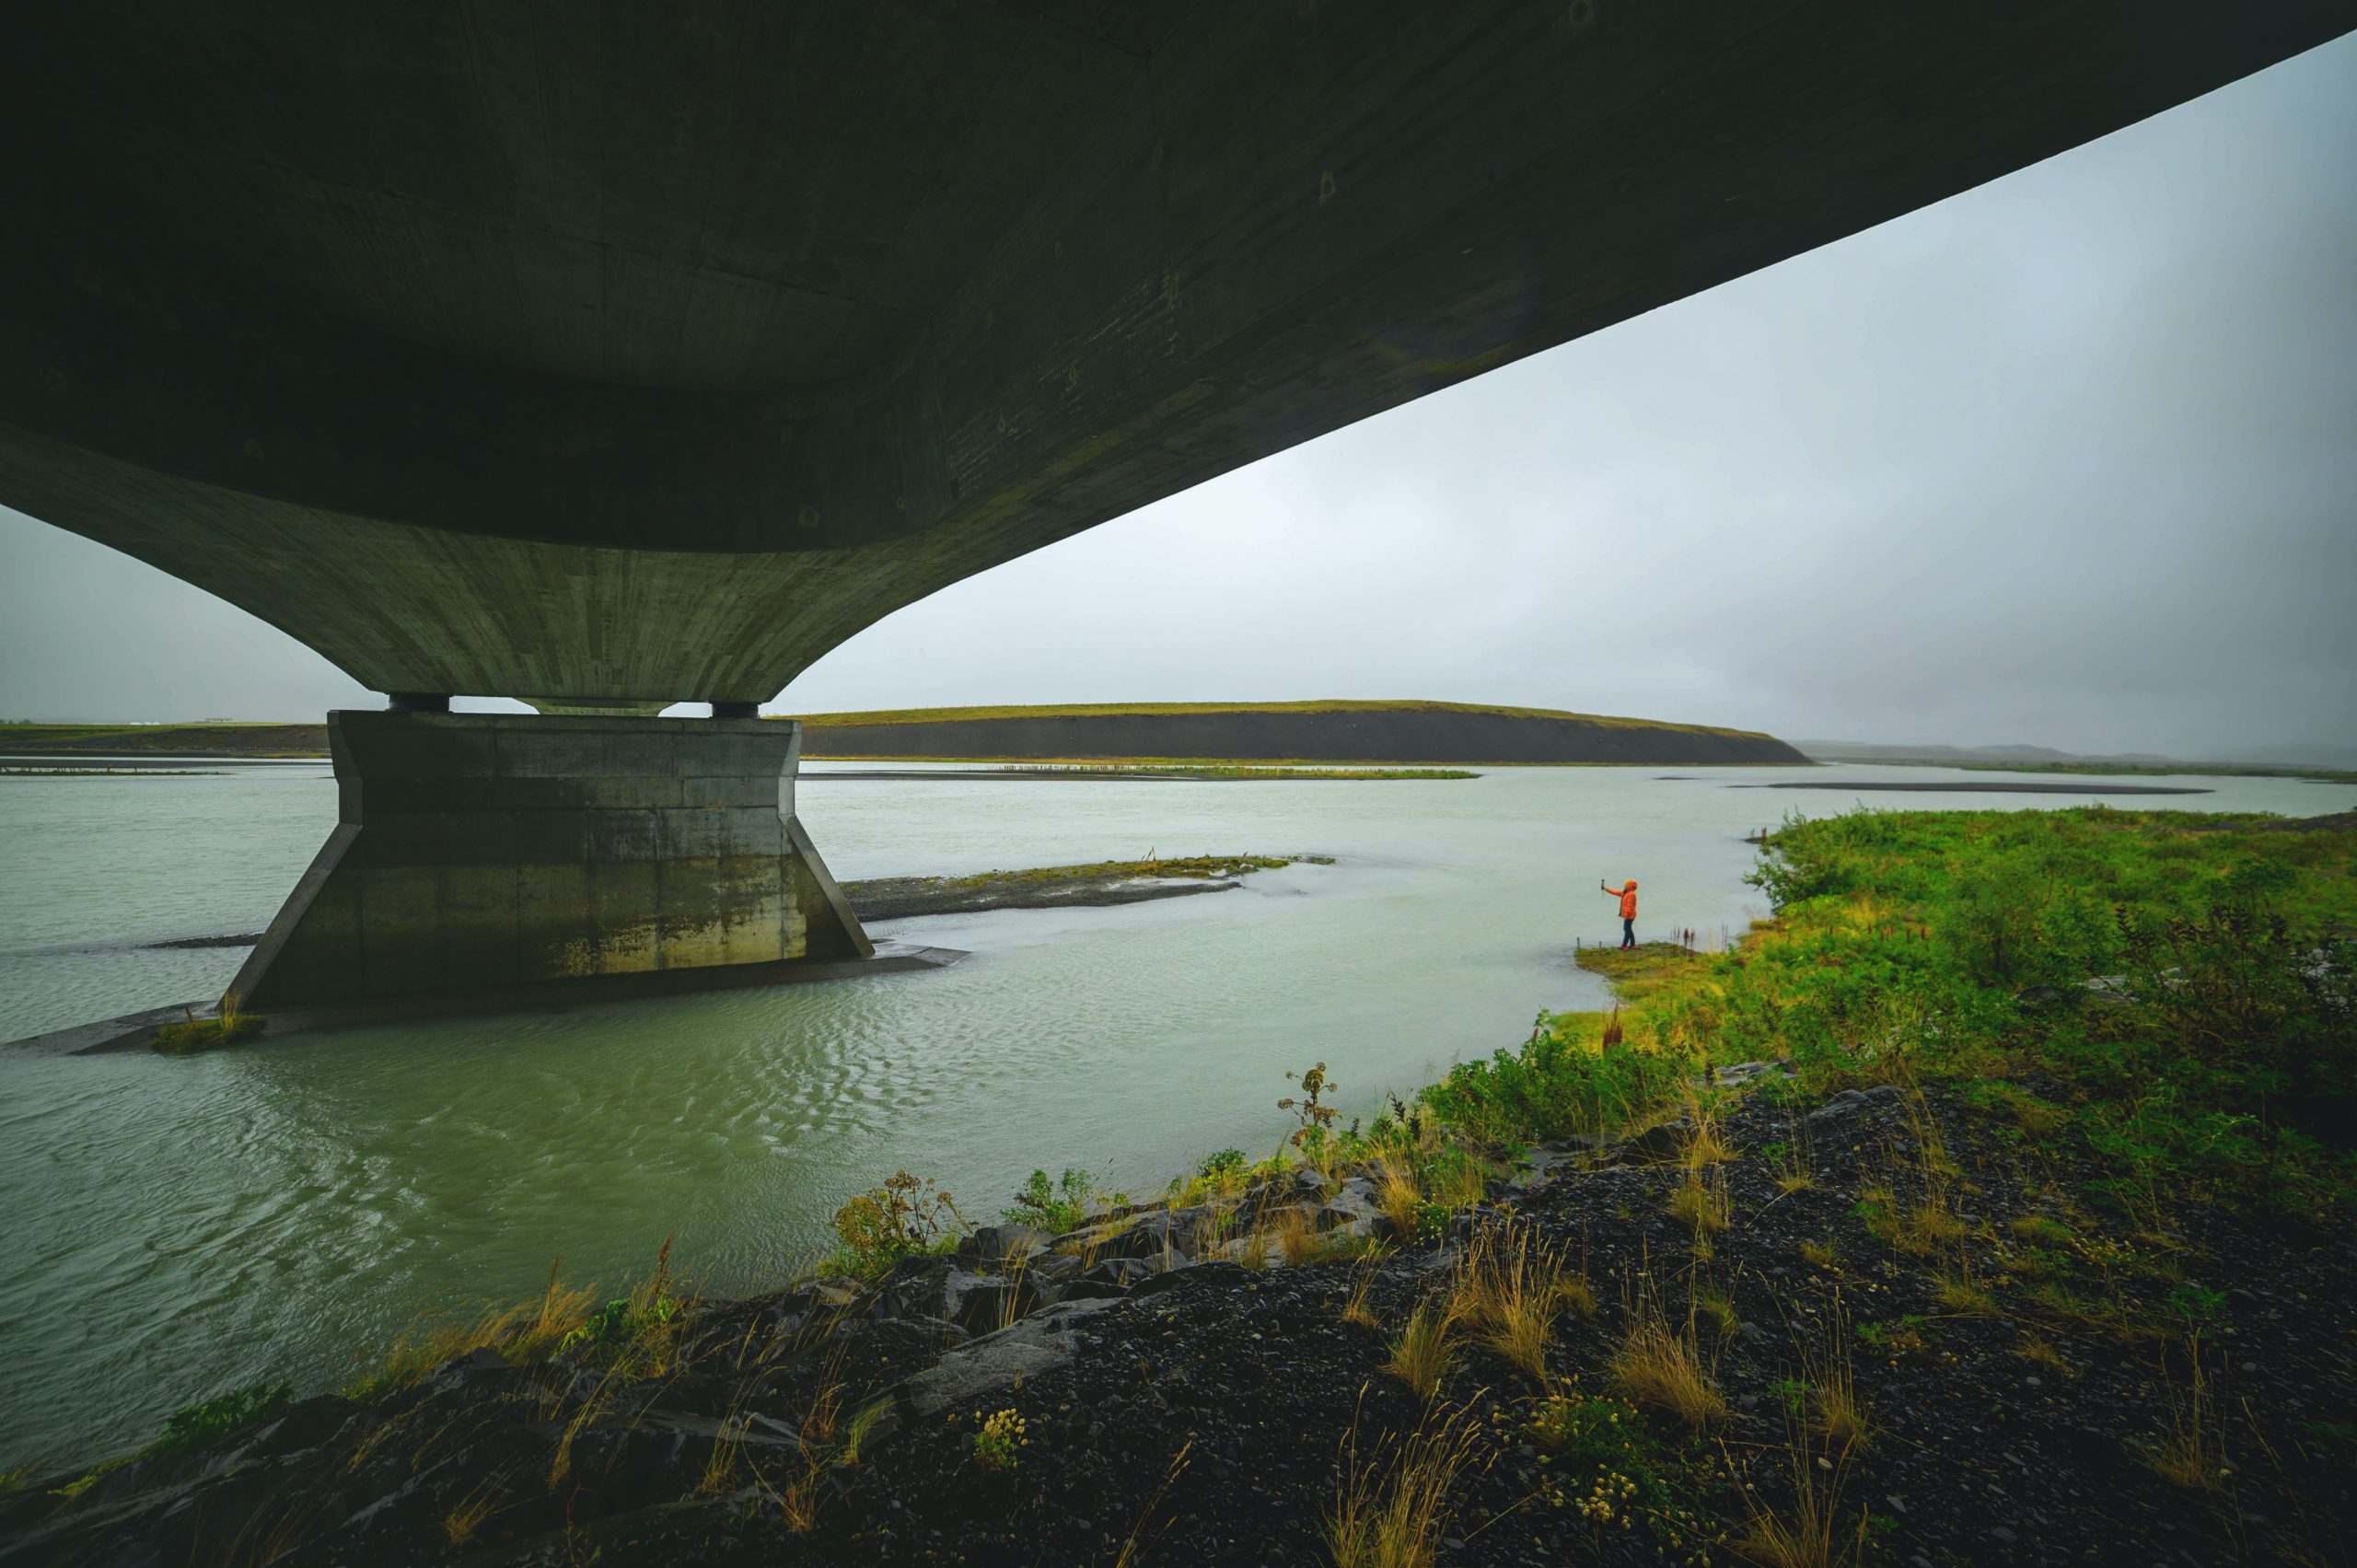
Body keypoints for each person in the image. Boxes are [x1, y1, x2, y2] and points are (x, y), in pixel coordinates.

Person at [1601, 877, 1638, 949]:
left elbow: (1629, 906)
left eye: (1626, 885)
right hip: (1629, 915)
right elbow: (1616, 892)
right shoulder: (1625, 893)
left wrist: (1626, 915)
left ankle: (1624, 946)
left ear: (1629, 886)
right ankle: (1632, 944)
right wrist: (1606, 889)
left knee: (1626, 930)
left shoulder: (1631, 894)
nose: (1624, 886)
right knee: (1628, 929)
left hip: (1629, 915)